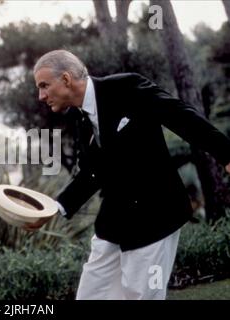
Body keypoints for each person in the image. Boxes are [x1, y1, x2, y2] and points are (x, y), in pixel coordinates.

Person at [30, 49, 230, 300]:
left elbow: (181, 117)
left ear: (67, 79)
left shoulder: (127, 87)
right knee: (90, 296)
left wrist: (226, 155)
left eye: (44, 86)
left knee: (143, 295)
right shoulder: (79, 119)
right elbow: (92, 172)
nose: (41, 95)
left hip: (157, 214)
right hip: (113, 221)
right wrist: (54, 208)